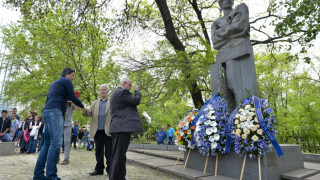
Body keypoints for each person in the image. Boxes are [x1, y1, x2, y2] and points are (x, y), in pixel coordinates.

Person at [33, 67, 84, 180]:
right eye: (73, 76)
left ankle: (38, 175)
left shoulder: (54, 83)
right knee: (56, 142)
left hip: (46, 112)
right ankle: (51, 176)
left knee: (46, 144)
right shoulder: (66, 81)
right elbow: (74, 97)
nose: (73, 78)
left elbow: (50, 100)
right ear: (67, 74)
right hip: (55, 112)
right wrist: (83, 106)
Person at [211, 0, 257, 107]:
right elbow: (215, 43)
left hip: (242, 51)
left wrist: (221, 32)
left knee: (245, 91)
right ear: (219, 3)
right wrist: (232, 27)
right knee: (226, 95)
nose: (226, 0)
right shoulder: (216, 23)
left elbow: (243, 27)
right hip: (223, 57)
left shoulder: (241, 8)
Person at [109, 78, 144, 180]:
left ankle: (120, 177)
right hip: (122, 128)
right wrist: (137, 91)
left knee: (120, 155)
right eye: (130, 85)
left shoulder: (117, 93)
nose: (130, 88)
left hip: (119, 128)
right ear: (124, 83)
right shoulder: (122, 92)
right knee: (119, 156)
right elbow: (136, 100)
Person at [83, 84, 113, 176]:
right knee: (98, 151)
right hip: (97, 131)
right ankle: (99, 169)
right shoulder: (94, 103)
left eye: (104, 90)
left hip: (108, 130)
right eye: (101, 90)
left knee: (109, 151)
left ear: (108, 91)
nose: (102, 91)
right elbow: (89, 114)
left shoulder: (112, 102)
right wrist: (84, 110)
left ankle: (110, 169)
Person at [61, 100, 81, 165]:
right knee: (57, 141)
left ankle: (66, 158)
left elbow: (79, 109)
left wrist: (75, 101)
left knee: (67, 141)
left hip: (68, 124)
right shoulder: (62, 101)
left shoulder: (72, 104)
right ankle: (56, 157)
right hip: (59, 123)